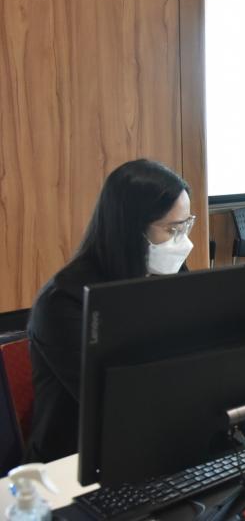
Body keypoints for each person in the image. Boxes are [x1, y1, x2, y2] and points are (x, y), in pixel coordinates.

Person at [27, 160, 195, 463]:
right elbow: (113, 402)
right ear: (130, 230)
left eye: (186, 225)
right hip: (75, 461)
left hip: (159, 439)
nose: (182, 242)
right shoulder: (63, 302)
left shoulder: (168, 273)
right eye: (172, 229)